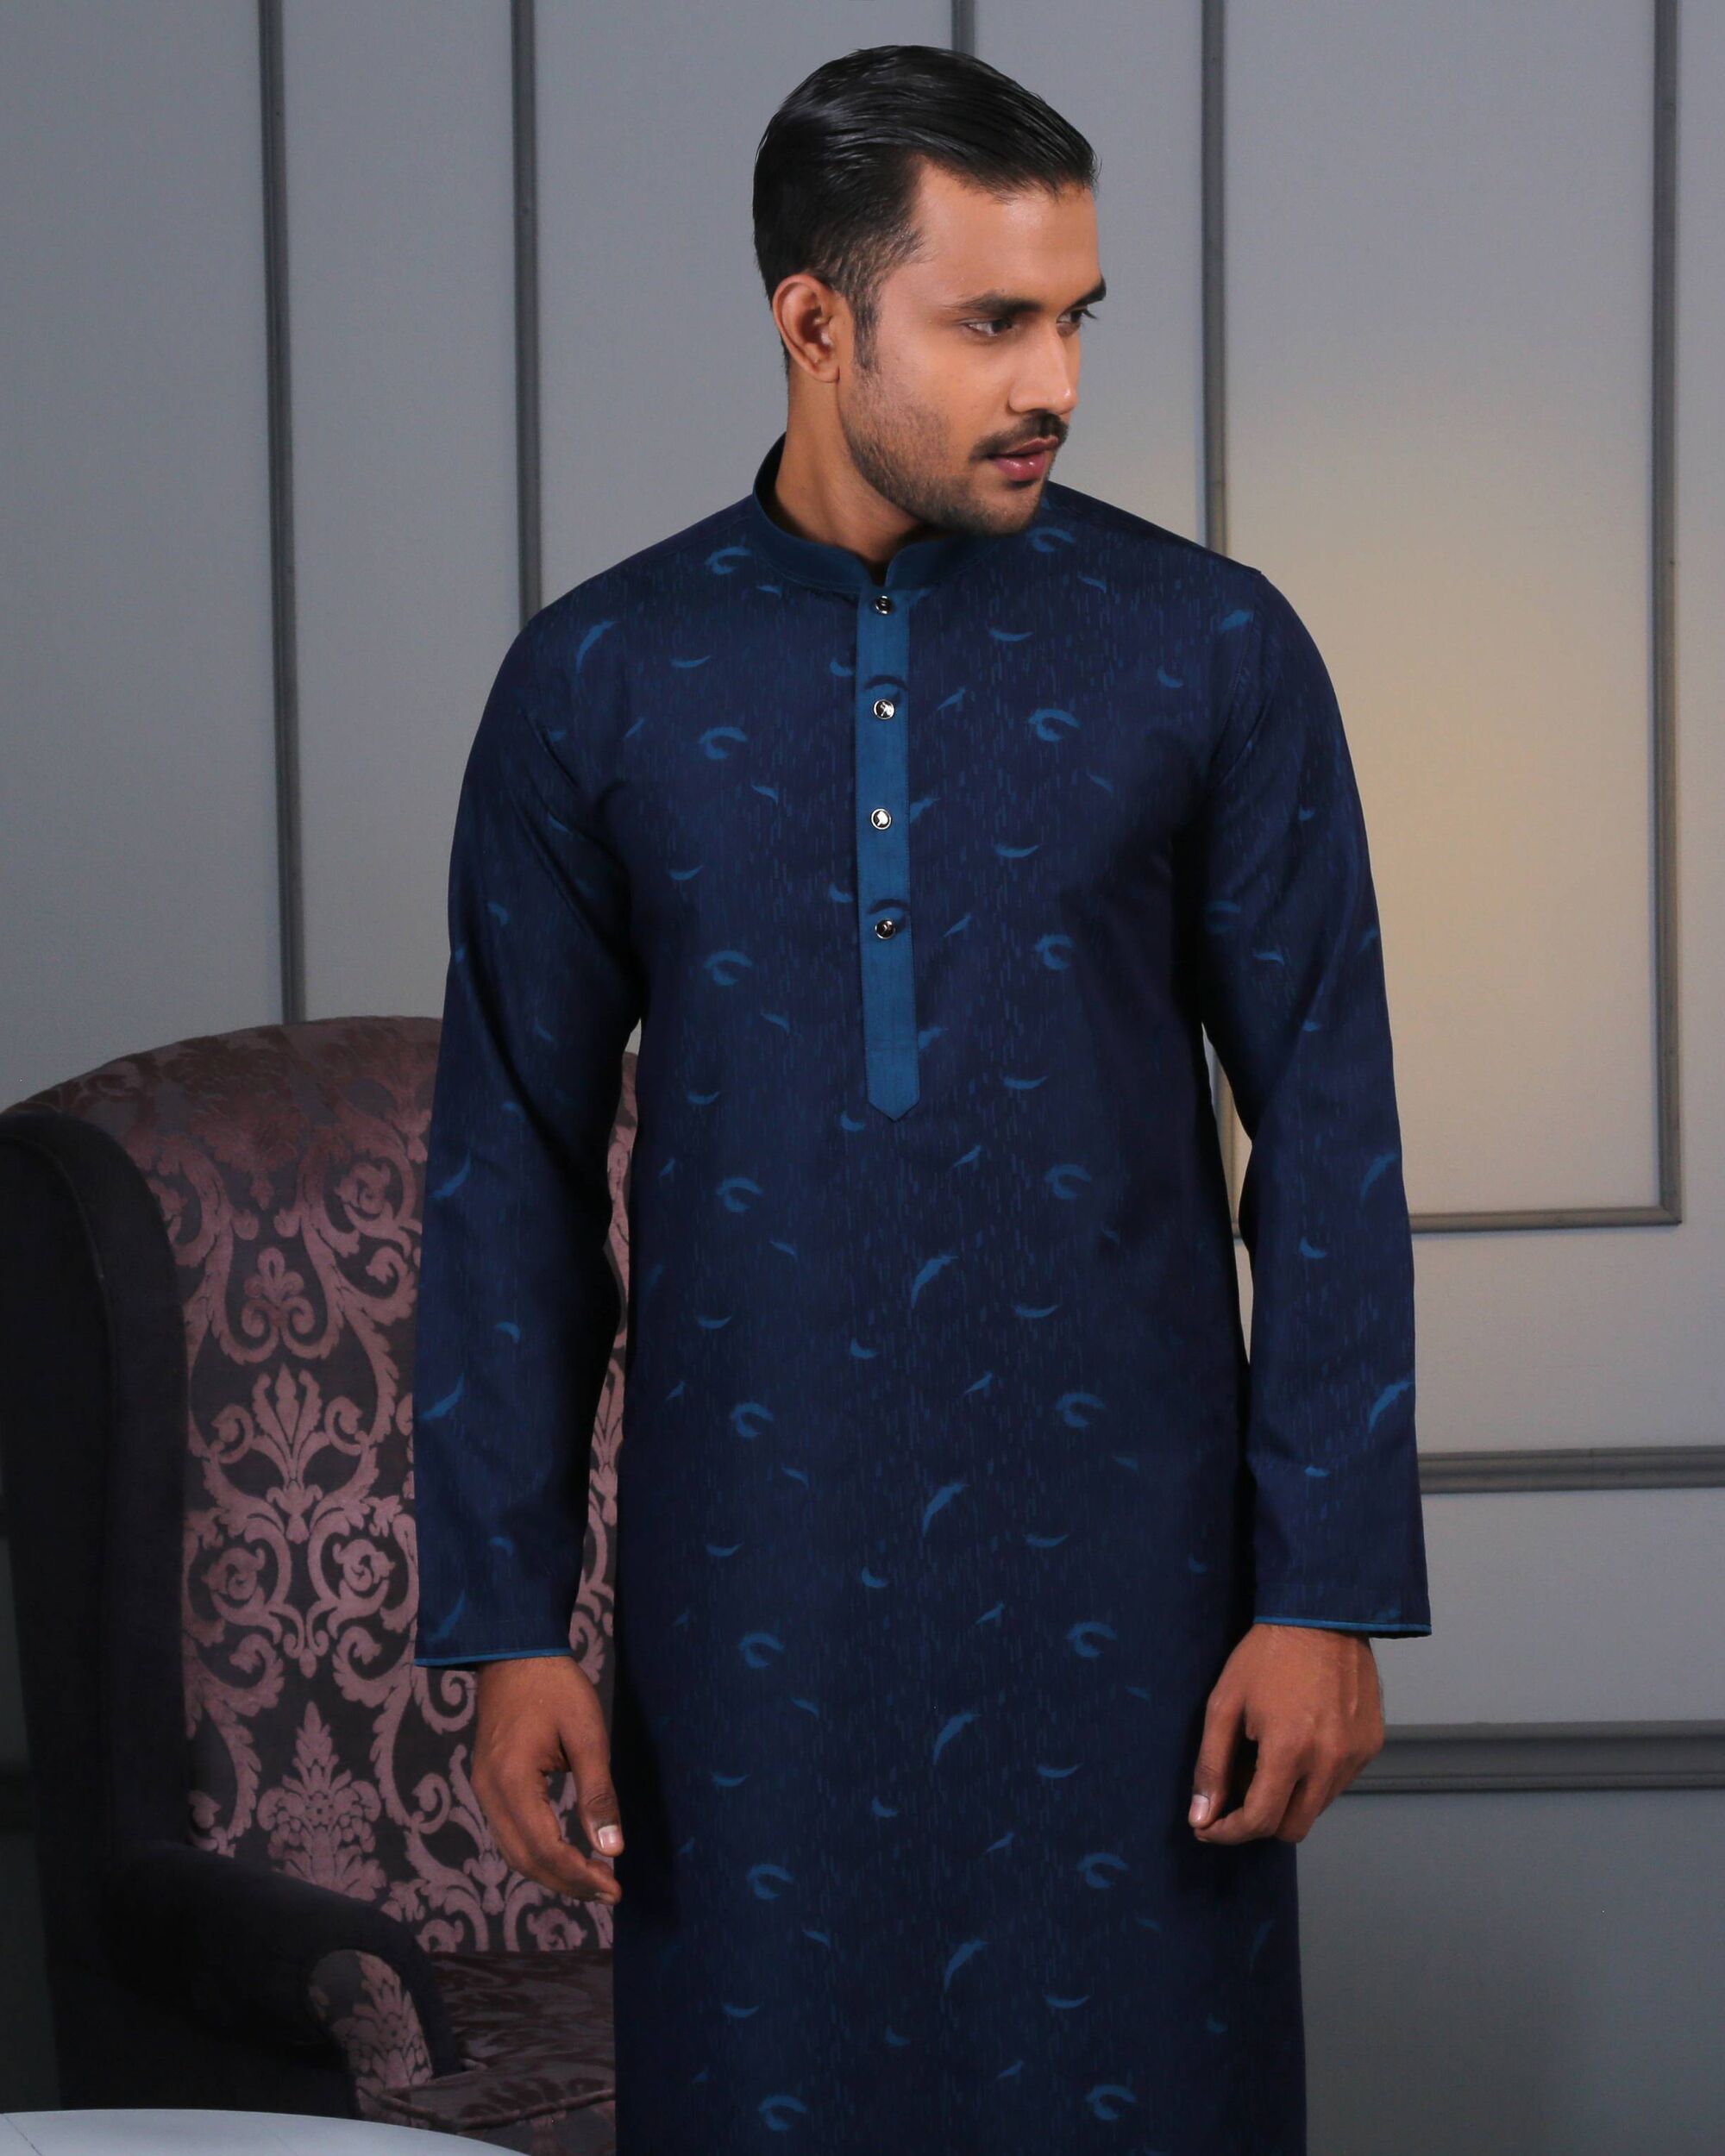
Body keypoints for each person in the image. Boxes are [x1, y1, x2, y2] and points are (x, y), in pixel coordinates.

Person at [411, 41, 1431, 2156]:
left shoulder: (1210, 648)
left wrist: (1323, 1585)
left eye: (1075, 317)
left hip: (1142, 1609)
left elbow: (1329, 1126)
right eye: (991, 322)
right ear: (815, 320)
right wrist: (507, 1618)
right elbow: (506, 1166)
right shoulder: (601, 678)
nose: (1054, 378)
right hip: (748, 1614)